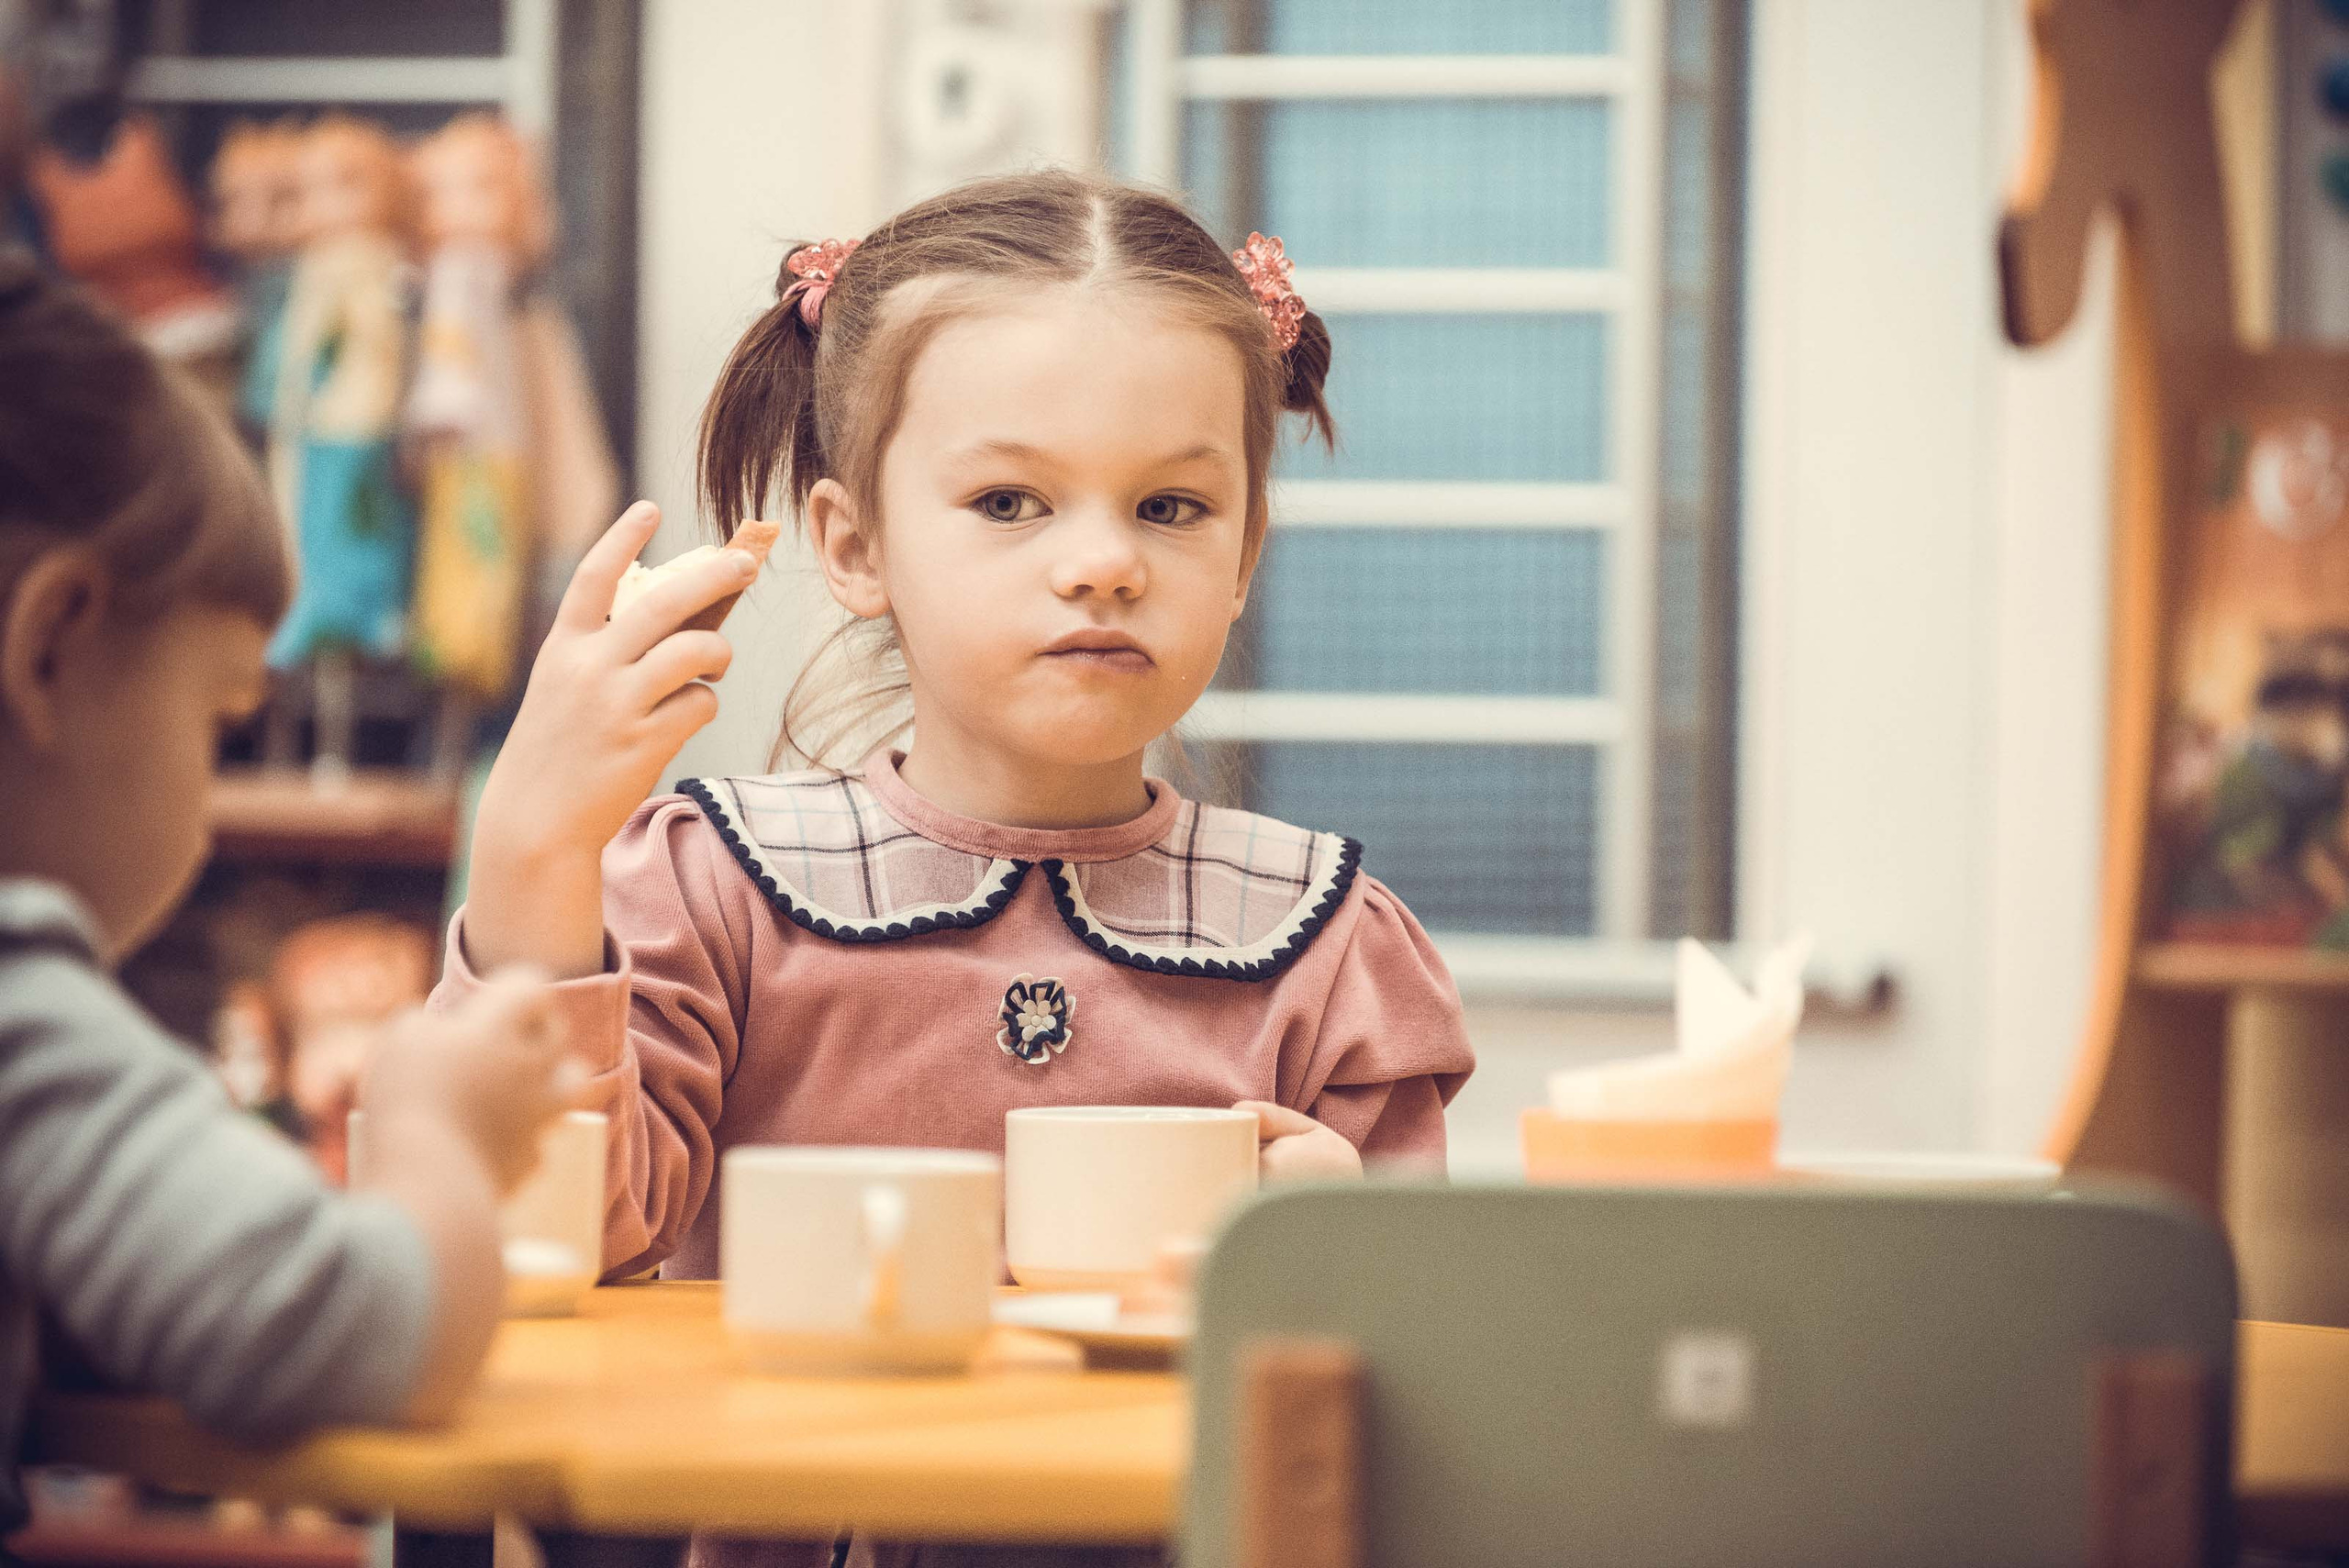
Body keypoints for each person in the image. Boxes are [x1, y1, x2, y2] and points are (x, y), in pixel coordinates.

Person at [440, 170, 1478, 1563]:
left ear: (1245, 556)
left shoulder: (1331, 944)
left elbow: (1419, 1419)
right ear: (853, 546)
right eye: (1008, 500)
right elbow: (557, 1244)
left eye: (1172, 507)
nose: (1103, 563)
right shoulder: (712, 888)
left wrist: (1343, 1262)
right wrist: (531, 847)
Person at [0, 256, 578, 1540]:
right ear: (50, 647)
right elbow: (361, 1333)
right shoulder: (19, 1011)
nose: (209, 789)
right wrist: (435, 1128)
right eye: (217, 719)